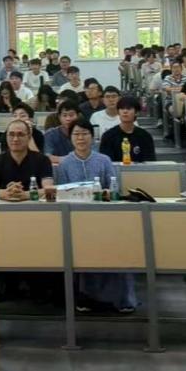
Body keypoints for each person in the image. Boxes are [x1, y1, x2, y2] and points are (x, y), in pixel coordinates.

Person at [55, 119, 138, 313]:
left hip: (105, 217)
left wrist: (107, 193)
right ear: (70, 138)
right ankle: (86, 298)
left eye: (85, 134)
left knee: (119, 245)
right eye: (76, 134)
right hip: (76, 220)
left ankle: (123, 299)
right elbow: (61, 193)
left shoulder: (104, 160)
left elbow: (114, 188)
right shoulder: (65, 163)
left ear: (92, 137)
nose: (80, 138)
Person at [0, 119, 55, 202]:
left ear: (29, 137)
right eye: (11, 134)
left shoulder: (43, 160)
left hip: (35, 206)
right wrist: (5, 193)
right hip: (5, 206)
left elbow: (49, 190)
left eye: (20, 135)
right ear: (6, 137)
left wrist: (25, 195)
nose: (15, 139)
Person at [98, 97, 156, 164]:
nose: (125, 111)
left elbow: (150, 162)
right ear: (118, 112)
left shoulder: (145, 136)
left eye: (129, 109)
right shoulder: (108, 136)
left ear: (136, 113)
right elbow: (106, 163)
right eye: (122, 109)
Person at [42, 100, 80, 165]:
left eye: (71, 115)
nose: (68, 119)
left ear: (78, 116)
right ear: (59, 117)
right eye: (64, 115)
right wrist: (70, 160)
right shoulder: (50, 134)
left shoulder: (85, 133)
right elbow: (46, 156)